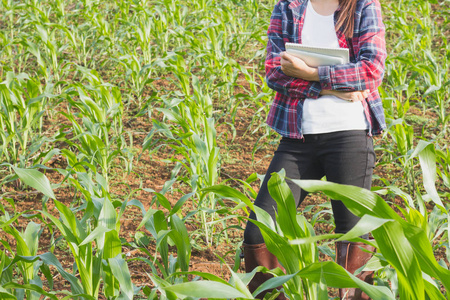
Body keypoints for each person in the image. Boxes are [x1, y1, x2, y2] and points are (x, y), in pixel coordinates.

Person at [241, 0, 386, 299]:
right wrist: (327, 86)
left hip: (349, 136)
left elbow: (371, 70)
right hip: (298, 138)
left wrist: (308, 71)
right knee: (260, 230)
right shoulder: (289, 6)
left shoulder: (362, 5)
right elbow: (274, 72)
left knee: (353, 236)